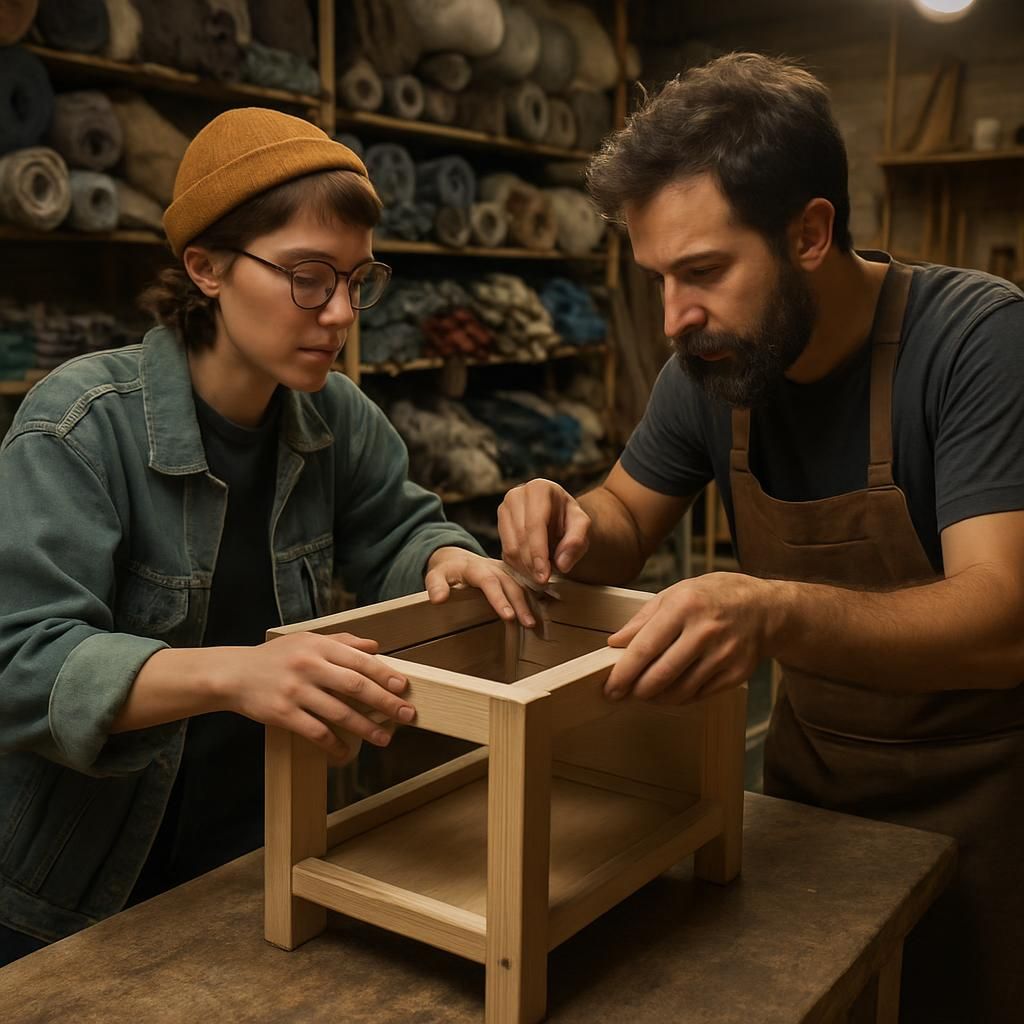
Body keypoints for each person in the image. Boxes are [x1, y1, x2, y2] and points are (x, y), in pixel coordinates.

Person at [498, 54, 1024, 1023]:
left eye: (701, 272)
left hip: (987, 817)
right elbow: (619, 520)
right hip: (804, 807)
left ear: (810, 232)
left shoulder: (975, 344)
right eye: (656, 279)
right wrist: (564, 519)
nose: (671, 318)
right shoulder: (711, 365)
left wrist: (772, 608)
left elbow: (1002, 621)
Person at [0, 108, 533, 966]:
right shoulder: (77, 426)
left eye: (359, 281)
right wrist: (236, 674)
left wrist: (448, 559)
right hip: (73, 893)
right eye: (308, 276)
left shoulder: (335, 417)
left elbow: (395, 531)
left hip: (256, 861)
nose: (341, 313)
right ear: (205, 268)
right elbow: (21, 664)